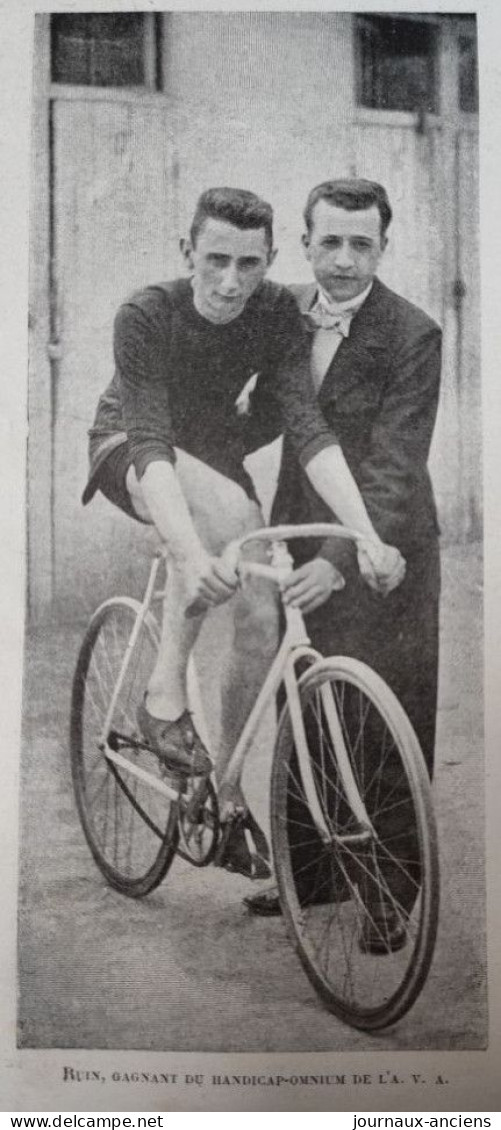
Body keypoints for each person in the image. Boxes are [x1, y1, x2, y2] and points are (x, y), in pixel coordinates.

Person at [82, 185, 404, 881]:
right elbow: (150, 441)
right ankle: (160, 699)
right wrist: (191, 553)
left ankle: (223, 798)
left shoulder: (276, 314)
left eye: (249, 264)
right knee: (227, 523)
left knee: (262, 613)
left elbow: (306, 426)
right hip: (129, 449)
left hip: (213, 458)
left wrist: (366, 532)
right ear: (187, 252)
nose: (231, 281)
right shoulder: (146, 312)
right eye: (216, 260)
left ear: (269, 261)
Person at [245, 178, 441, 942]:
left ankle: (390, 893)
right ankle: (311, 876)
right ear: (305, 245)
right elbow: (264, 413)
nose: (344, 260)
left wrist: (341, 552)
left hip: (384, 547)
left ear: (382, 249)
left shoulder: (412, 334)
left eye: (361, 243)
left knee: (383, 715)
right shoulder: (285, 313)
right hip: (300, 529)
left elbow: (394, 463)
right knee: (307, 701)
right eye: (329, 242)